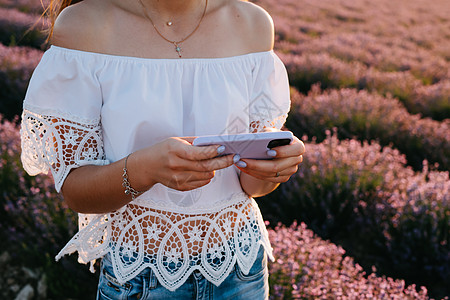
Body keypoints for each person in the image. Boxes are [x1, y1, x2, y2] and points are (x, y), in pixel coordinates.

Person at [20, 0, 305, 298]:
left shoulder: (253, 23)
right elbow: (76, 192)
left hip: (241, 273)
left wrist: (274, 166)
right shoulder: (83, 24)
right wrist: (145, 169)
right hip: (141, 278)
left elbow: (251, 186)